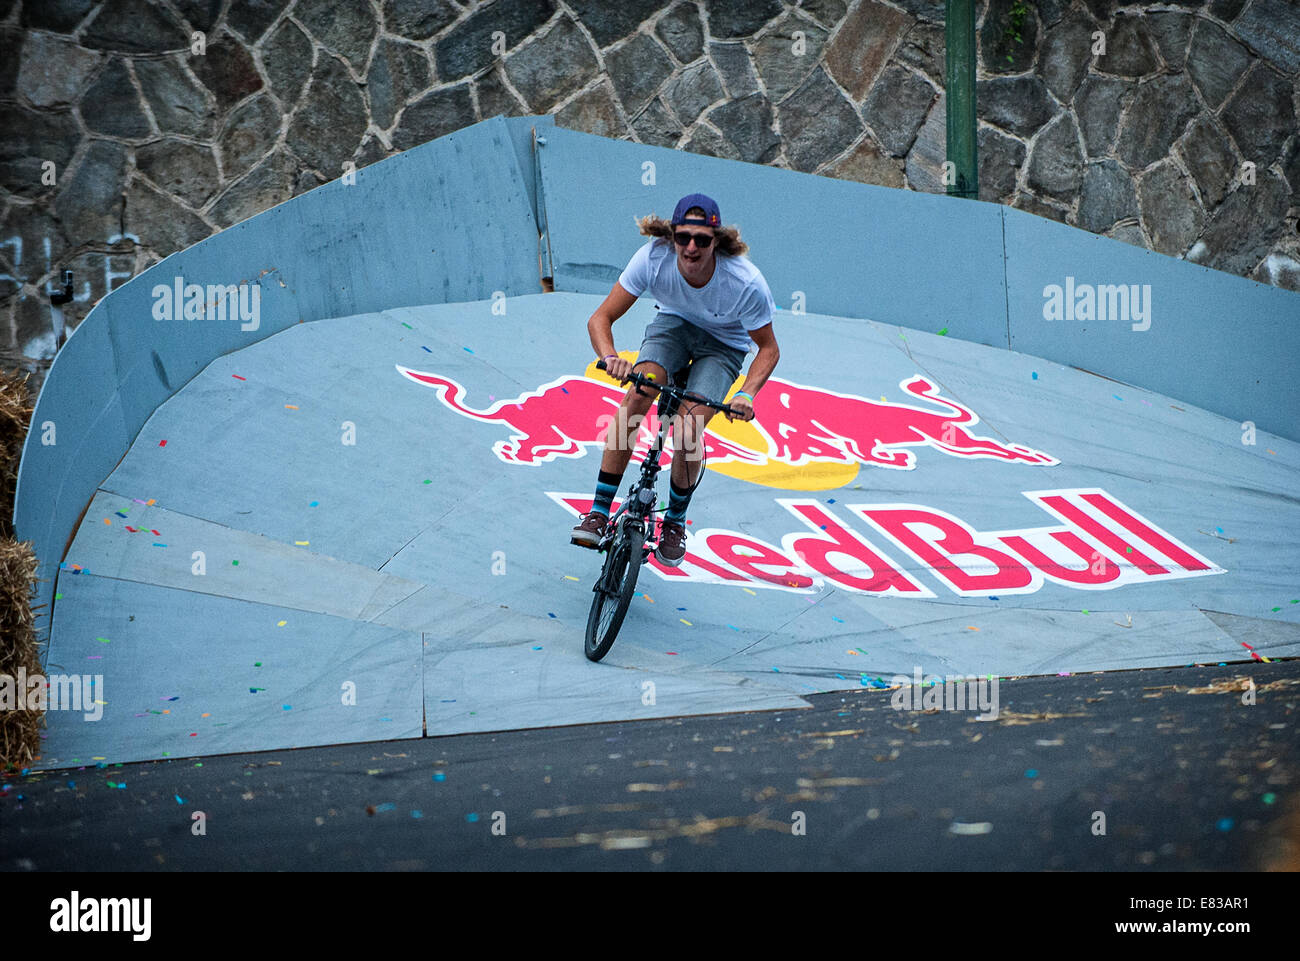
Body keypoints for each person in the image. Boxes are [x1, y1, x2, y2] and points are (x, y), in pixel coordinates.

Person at [570, 193, 779, 566]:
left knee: (687, 429)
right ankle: (599, 511)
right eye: (683, 237)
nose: (692, 247)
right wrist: (611, 357)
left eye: (702, 239)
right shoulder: (653, 257)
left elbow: (768, 349)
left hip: (724, 344)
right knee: (640, 390)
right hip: (674, 326)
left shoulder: (745, 282)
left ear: (718, 241)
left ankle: (675, 522)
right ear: (672, 236)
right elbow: (600, 319)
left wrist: (747, 393)